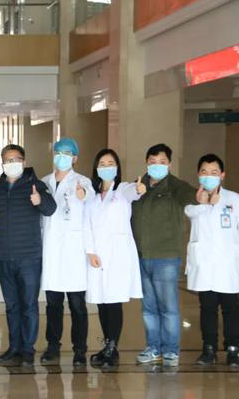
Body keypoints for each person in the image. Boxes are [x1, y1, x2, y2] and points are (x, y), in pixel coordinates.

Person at [132, 143, 205, 367]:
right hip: (141, 256)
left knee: (168, 307)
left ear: (169, 164)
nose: (157, 165)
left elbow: (190, 194)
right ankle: (153, 348)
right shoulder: (138, 186)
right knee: (148, 308)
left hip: (165, 258)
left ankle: (171, 350)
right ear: (146, 163)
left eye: (162, 162)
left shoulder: (175, 186)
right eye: (153, 161)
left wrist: (200, 196)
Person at [0, 144, 56, 367]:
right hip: (4, 256)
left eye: (16, 159)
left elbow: (50, 209)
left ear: (23, 162)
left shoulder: (36, 185)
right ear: (2, 163)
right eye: (7, 160)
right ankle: (14, 347)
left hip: (29, 256)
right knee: (12, 306)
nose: (11, 163)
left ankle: (27, 350)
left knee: (29, 305)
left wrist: (40, 200)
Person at [84, 149, 145, 367]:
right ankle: (108, 346)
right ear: (96, 168)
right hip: (97, 256)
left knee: (114, 302)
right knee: (101, 301)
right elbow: (86, 224)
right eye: (102, 163)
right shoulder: (92, 196)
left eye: (111, 163)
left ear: (117, 167)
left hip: (118, 255)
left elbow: (135, 191)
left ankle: (112, 348)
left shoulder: (123, 190)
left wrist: (139, 188)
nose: (107, 167)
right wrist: (90, 251)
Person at [40, 137, 95, 367]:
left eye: (67, 154)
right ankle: (52, 346)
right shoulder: (44, 182)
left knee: (77, 305)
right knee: (53, 304)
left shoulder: (82, 181)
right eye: (58, 153)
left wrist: (84, 194)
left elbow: (89, 202)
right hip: (51, 251)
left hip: (74, 252)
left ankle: (80, 349)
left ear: (74, 158)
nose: (62, 157)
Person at [184, 154, 239, 366]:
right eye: (204, 172)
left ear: (222, 175)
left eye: (214, 172)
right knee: (207, 309)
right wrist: (205, 203)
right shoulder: (193, 200)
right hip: (204, 265)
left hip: (228, 265)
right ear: (199, 175)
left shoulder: (234, 199)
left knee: (231, 309)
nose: (209, 176)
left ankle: (233, 348)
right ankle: (209, 348)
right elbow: (190, 213)